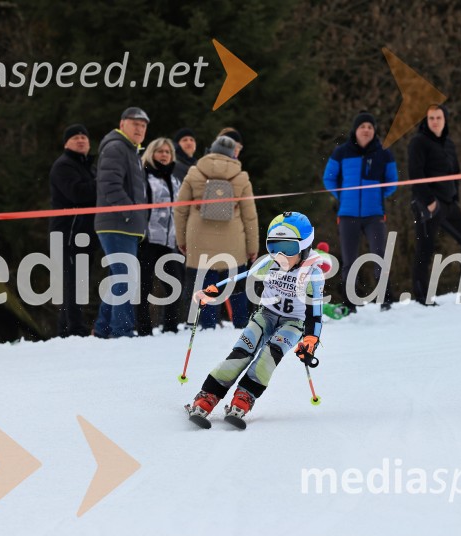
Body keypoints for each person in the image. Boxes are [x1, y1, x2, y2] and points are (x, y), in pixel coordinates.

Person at [185, 212, 324, 429]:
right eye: (273, 246)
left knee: (269, 357)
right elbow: (241, 282)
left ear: (304, 247)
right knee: (241, 353)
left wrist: (311, 340)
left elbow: (314, 313)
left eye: (287, 249)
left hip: (292, 324)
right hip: (265, 316)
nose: (280, 255)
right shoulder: (269, 263)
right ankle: (207, 396)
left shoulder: (312, 274)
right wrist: (214, 291)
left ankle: (244, 398)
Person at [174, 135, 258, 330]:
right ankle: (240, 323)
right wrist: (252, 247)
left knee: (206, 282)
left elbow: (180, 210)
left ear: (211, 150)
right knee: (236, 283)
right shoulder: (241, 177)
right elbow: (250, 216)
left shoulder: (194, 173)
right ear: (232, 153)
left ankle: (207, 324)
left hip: (199, 238)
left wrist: (181, 239)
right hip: (234, 240)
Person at [322, 112, 398, 313]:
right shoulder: (341, 152)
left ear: (374, 131)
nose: (366, 130)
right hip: (348, 215)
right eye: (362, 126)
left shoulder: (384, 153)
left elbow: (392, 181)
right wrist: (343, 196)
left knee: (380, 256)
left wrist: (378, 195)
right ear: (355, 130)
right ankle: (350, 302)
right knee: (349, 260)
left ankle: (385, 298)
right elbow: (329, 178)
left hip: (374, 214)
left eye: (370, 127)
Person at [408, 104, 461, 305]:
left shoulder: (449, 143)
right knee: (425, 248)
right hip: (428, 203)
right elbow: (415, 174)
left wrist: (455, 196)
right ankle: (422, 297)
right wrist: (430, 201)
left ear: (445, 119)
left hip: (449, 203)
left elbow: (455, 172)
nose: (434, 121)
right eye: (431, 117)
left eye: (438, 117)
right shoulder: (418, 142)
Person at [92, 107, 151, 338]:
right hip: (116, 223)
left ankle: (103, 327)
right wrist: (130, 214)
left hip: (124, 224)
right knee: (126, 277)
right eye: (135, 124)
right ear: (122, 124)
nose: (139, 129)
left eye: (143, 126)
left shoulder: (130, 150)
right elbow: (109, 186)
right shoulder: (117, 147)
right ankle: (121, 331)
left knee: (119, 276)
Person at [49, 124, 98, 337]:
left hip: (85, 232)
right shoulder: (64, 165)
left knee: (79, 280)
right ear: (66, 143)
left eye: (84, 137)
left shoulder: (89, 166)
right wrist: (103, 183)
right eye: (76, 137)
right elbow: (78, 193)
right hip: (68, 232)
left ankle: (66, 329)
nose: (81, 140)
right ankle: (75, 328)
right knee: (72, 280)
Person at [136, 137, 184, 335]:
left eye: (167, 152)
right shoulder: (144, 177)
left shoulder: (174, 179)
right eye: (160, 151)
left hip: (168, 241)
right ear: (152, 154)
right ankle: (143, 329)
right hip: (147, 240)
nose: (164, 155)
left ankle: (170, 328)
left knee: (175, 285)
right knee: (143, 286)